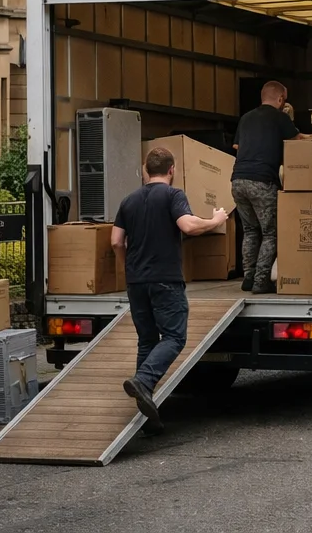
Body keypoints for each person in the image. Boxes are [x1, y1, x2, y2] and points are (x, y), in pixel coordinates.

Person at [111, 146, 227, 427]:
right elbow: (187, 226)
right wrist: (215, 220)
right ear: (172, 170)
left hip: (136, 282)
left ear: (145, 170)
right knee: (175, 337)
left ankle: (145, 415)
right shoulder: (173, 195)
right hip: (165, 279)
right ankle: (144, 380)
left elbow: (116, 241)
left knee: (148, 341)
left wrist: (129, 266)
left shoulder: (128, 201)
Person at [231, 80, 310, 294]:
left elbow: (237, 146)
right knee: (271, 233)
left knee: (249, 230)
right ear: (281, 99)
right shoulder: (280, 118)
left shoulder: (246, 118)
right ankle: (261, 281)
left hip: (237, 181)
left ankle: (248, 277)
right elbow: (297, 141)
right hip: (262, 182)